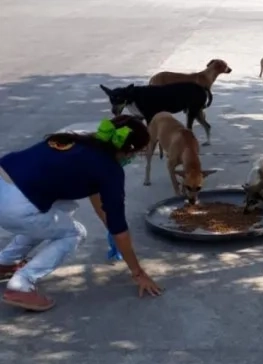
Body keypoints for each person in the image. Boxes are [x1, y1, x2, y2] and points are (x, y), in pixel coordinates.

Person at [0, 115, 163, 311]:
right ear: (127, 149)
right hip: (14, 206)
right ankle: (21, 285)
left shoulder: (79, 139)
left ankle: (6, 262)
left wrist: (108, 227)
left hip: (6, 182)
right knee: (74, 233)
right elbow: (119, 227)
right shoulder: (109, 170)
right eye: (136, 153)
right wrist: (138, 272)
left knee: (59, 213)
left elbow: (96, 196)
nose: (133, 158)